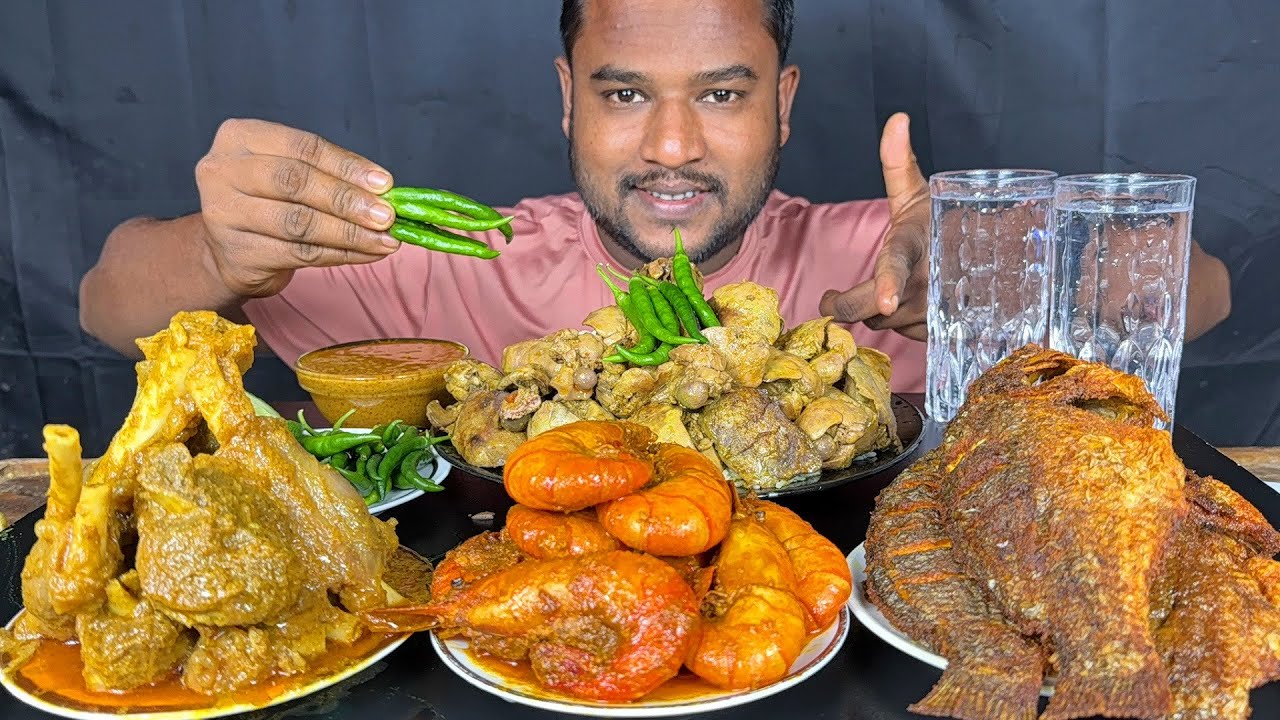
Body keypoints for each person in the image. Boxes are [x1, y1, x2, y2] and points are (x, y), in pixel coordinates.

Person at [78, 0, 1232, 394]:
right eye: (624, 92)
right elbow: (108, 304)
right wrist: (222, 250)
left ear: (781, 104)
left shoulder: (876, 255)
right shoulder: (449, 259)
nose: (671, 146)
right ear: (565, 100)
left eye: (721, 94)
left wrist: (995, 266)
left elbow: (1200, 291)